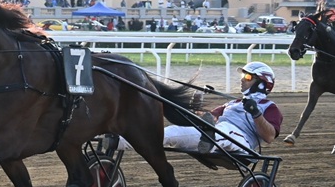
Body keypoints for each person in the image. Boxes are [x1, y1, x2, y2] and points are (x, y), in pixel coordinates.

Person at [118, 62, 281, 155]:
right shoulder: (232, 103)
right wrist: (197, 102)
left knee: (222, 131)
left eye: (248, 77)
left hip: (241, 141)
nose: (242, 80)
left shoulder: (270, 107)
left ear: (262, 83)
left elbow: (269, 136)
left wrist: (255, 112)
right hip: (216, 131)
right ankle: (118, 141)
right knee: (169, 133)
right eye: (242, 76)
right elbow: (209, 118)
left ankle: (211, 138)